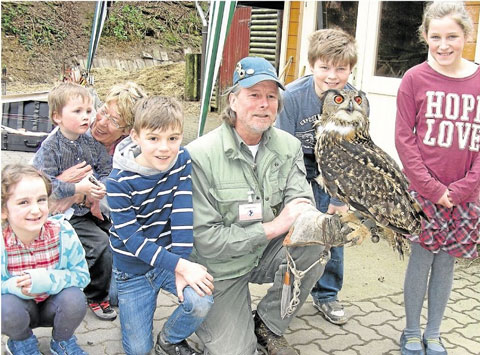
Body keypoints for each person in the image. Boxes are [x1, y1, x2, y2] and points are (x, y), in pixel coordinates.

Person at [187, 56, 344, 355]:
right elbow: (206, 241)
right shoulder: (199, 155)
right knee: (234, 352)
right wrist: (274, 226)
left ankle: (269, 323)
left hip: (266, 252)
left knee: (315, 242)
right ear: (233, 100)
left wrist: (326, 222)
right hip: (219, 268)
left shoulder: (289, 146)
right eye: (254, 95)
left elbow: (301, 204)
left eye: (271, 96)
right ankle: (217, 316)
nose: (264, 103)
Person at [395, 2, 480, 355]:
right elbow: (404, 138)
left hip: (466, 195)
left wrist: (461, 190)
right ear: (425, 37)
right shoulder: (414, 79)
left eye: (452, 36)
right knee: (421, 259)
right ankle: (411, 331)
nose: (443, 45)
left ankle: (434, 333)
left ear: (467, 36)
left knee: (446, 263)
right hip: (422, 193)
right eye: (435, 37)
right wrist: (432, 188)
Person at [106, 96, 214, 355]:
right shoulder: (117, 182)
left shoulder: (181, 160)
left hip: (167, 260)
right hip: (132, 270)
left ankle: (169, 338)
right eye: (153, 138)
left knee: (201, 300)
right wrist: (182, 265)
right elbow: (133, 241)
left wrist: (180, 264)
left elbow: (182, 211)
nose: (164, 148)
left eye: (173, 138)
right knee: (138, 350)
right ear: (135, 136)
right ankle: (116, 294)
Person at [276, 28, 359, 326]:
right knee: (299, 227)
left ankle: (327, 294)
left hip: (334, 169)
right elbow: (282, 150)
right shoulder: (291, 97)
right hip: (297, 162)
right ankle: (288, 289)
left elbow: (350, 153)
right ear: (312, 66)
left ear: (351, 69)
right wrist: (295, 196)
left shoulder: (355, 101)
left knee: (334, 228)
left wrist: (338, 198)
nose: (332, 76)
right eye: (324, 67)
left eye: (341, 68)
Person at [32, 82, 117, 321]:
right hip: (62, 217)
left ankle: (93, 285)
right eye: (78, 111)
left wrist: (101, 186)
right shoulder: (49, 148)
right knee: (99, 245)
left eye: (89, 111)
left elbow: (106, 169)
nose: (86, 117)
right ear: (57, 116)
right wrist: (77, 188)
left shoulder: (92, 144)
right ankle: (95, 295)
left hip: (87, 211)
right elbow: (44, 185)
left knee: (114, 239)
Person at [1, 164, 90, 355]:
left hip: (54, 305)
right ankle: (21, 341)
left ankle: (62, 341)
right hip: (19, 308)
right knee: (4, 306)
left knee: (75, 298)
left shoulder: (63, 233)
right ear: (4, 211)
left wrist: (46, 279)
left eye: (41, 200)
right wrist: (12, 287)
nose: (36, 210)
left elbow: (82, 276)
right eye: (23, 202)